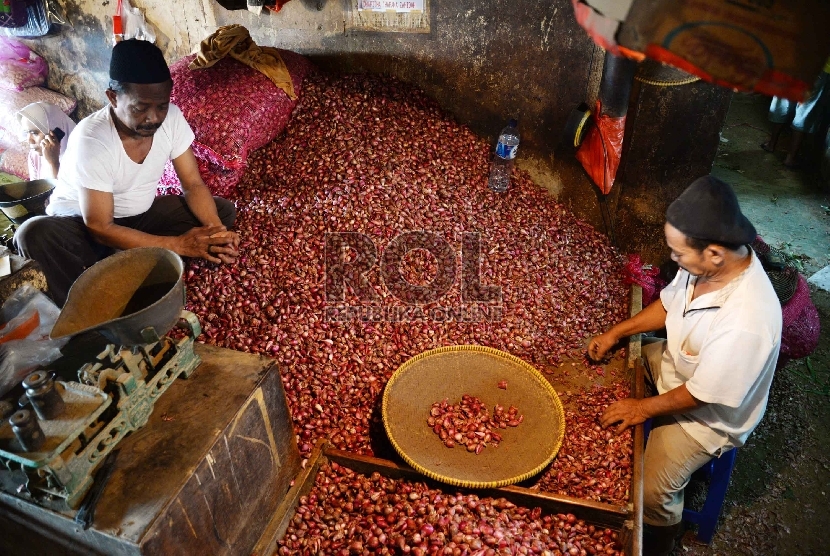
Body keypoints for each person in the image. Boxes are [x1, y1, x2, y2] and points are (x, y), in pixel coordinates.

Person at [587, 176, 782, 556]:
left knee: (650, 490)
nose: (672, 259)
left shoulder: (748, 319)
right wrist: (616, 333)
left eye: (678, 254)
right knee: (613, 365)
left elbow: (702, 394)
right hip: (680, 366)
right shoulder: (704, 268)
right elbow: (668, 304)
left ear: (713, 253)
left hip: (708, 416)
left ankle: (660, 543)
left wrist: (641, 408)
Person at [14, 39, 240, 307]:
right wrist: (179, 245)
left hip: (135, 219)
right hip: (83, 230)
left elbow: (192, 183)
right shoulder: (93, 138)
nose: (153, 118)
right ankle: (89, 308)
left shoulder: (172, 118)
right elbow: (99, 226)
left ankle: (125, 260)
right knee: (33, 233)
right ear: (113, 97)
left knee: (221, 212)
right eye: (140, 107)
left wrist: (214, 231)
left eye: (161, 106)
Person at [761, 57, 830, 169]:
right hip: (820, 67)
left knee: (783, 100)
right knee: (805, 111)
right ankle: (790, 157)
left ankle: (771, 144)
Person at [16, 101, 77, 180]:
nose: (29, 140)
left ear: (56, 133)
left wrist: (53, 163)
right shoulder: (34, 156)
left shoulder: (78, 158)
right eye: (27, 132)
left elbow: (64, 192)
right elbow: (36, 190)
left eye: (34, 133)